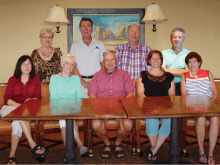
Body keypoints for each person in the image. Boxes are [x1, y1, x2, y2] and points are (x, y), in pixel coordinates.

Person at [0, 56, 48, 164]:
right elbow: (7, 99)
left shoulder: (35, 80)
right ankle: (32, 144)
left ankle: (11, 156)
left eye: (29, 64)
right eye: (23, 64)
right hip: (8, 109)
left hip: (25, 112)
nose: (26, 66)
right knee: (20, 114)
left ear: (32, 66)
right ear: (19, 66)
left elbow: (37, 98)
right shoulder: (12, 79)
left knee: (17, 122)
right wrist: (20, 106)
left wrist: (30, 101)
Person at [88, 50, 135, 159]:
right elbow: (92, 95)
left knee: (128, 124)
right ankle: (107, 143)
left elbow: (131, 94)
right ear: (103, 62)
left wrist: (122, 104)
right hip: (101, 108)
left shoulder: (124, 74)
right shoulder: (97, 75)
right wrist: (99, 105)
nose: (109, 62)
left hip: (120, 108)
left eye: (112, 59)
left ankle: (118, 143)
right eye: (106, 60)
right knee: (95, 125)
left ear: (116, 60)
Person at [136, 50, 175, 162]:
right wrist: (150, 105)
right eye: (153, 58)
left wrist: (166, 105)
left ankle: (153, 150)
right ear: (149, 60)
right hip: (149, 107)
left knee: (169, 122)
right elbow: (140, 93)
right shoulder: (143, 75)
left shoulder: (169, 76)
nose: (155, 60)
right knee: (151, 121)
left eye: (158, 58)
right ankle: (155, 149)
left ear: (161, 60)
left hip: (166, 107)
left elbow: (172, 94)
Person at [181, 52, 218, 165]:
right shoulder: (185, 75)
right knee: (201, 118)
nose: (192, 64)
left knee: (215, 118)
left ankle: (211, 153)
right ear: (187, 64)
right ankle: (201, 151)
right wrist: (196, 105)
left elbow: (214, 93)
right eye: (189, 62)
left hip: (209, 105)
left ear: (199, 63)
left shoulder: (207, 73)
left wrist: (211, 103)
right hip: (193, 106)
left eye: (194, 61)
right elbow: (184, 95)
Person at [49, 54, 88, 157]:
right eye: (67, 63)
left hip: (73, 108)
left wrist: (71, 105)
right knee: (66, 118)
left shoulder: (75, 78)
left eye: (72, 64)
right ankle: (80, 145)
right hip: (58, 108)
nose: (69, 67)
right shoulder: (54, 78)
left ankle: (68, 151)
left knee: (67, 118)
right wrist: (67, 104)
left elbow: (79, 97)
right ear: (62, 64)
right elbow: (54, 97)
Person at [70, 17, 106, 98]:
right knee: (83, 108)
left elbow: (103, 65)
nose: (85, 29)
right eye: (83, 26)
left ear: (92, 28)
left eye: (88, 26)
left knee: (97, 107)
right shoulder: (75, 46)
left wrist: (95, 81)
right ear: (80, 28)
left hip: (98, 82)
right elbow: (72, 66)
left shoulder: (99, 45)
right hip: (80, 83)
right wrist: (83, 82)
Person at [162, 27, 191, 96]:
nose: (177, 39)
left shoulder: (189, 54)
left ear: (183, 39)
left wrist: (167, 70)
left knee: (183, 106)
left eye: (180, 37)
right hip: (167, 85)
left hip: (184, 86)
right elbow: (162, 71)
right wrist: (182, 71)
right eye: (174, 37)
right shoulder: (164, 53)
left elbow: (188, 73)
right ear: (170, 39)